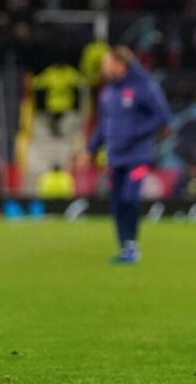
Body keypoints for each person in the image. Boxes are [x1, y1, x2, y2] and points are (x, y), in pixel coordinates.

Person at [78, 47, 170, 263]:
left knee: (130, 197)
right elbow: (103, 125)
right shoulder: (108, 92)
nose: (103, 68)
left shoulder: (143, 86)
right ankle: (125, 247)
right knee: (117, 202)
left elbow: (162, 117)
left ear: (120, 65)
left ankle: (131, 245)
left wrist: (135, 132)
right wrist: (89, 150)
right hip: (115, 157)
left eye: (106, 63)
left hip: (137, 156)